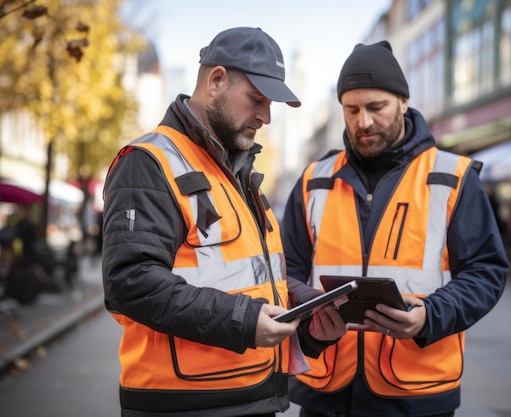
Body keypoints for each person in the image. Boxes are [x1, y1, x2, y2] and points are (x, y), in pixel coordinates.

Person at [101, 27, 347, 417]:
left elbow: (252, 280)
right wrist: (243, 319)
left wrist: (306, 323)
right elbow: (130, 281)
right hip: (184, 405)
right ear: (215, 80)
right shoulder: (148, 162)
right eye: (257, 100)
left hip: (252, 397)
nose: (266, 117)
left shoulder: (239, 174)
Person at [281, 41, 509, 417]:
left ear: (404, 101)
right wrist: (312, 310)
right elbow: (284, 268)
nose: (363, 121)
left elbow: (486, 272)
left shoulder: (452, 178)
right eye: (351, 110)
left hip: (415, 391)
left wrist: (428, 316)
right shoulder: (314, 180)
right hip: (325, 391)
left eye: (376, 107)